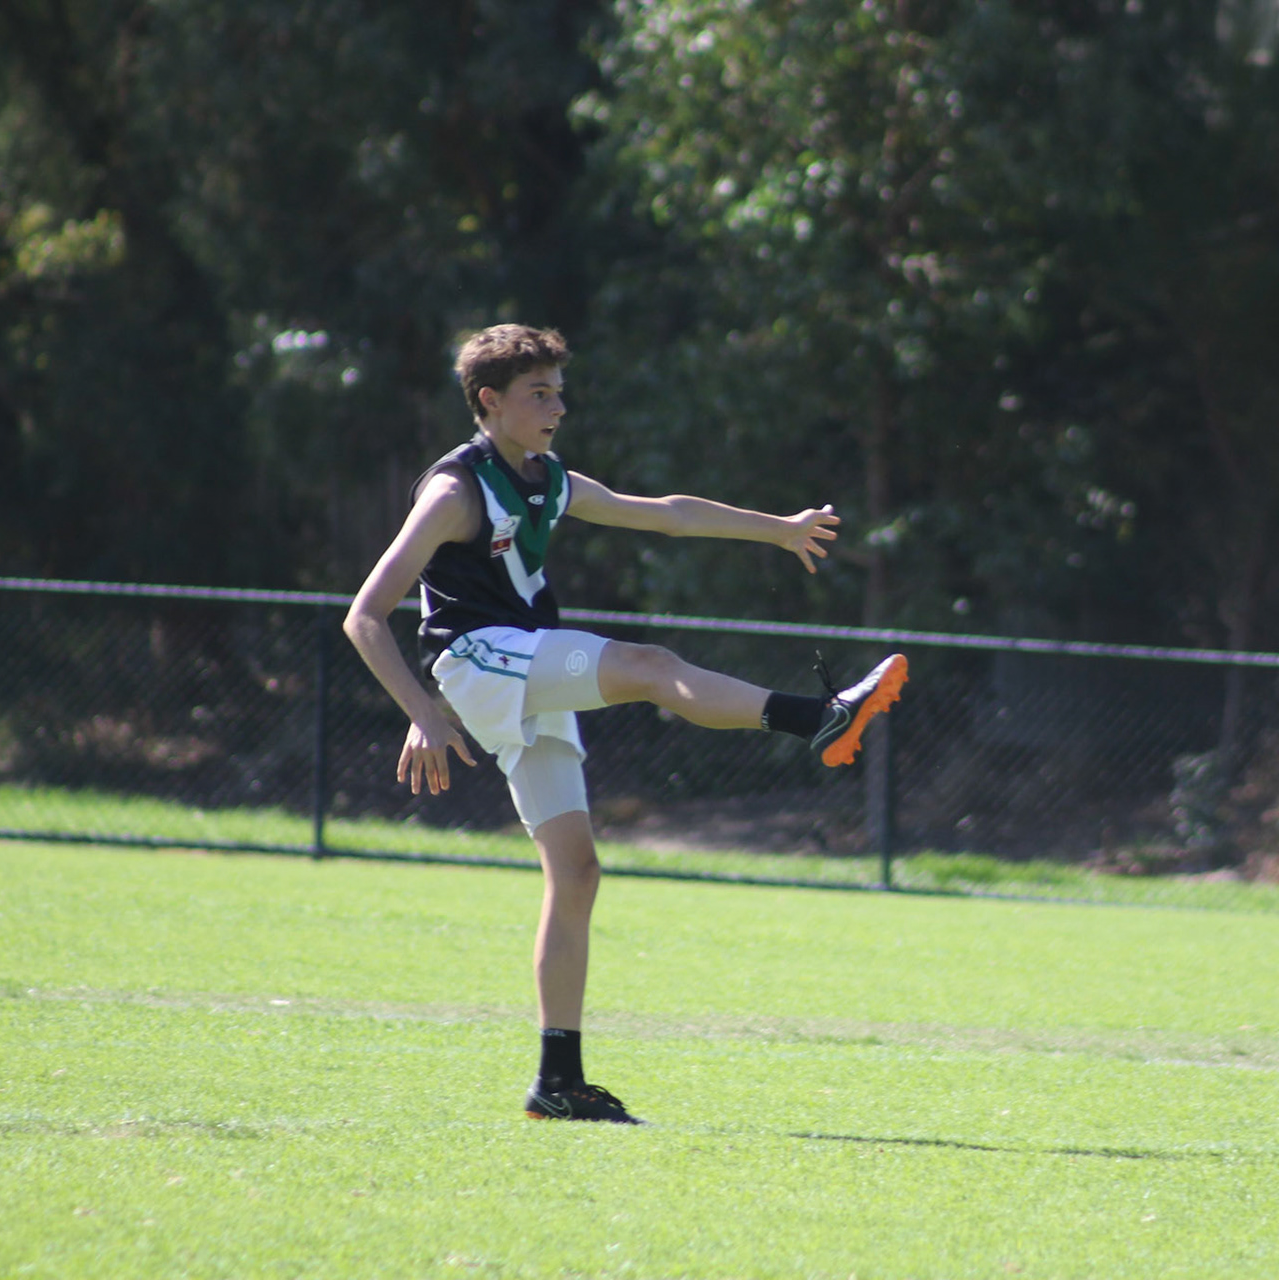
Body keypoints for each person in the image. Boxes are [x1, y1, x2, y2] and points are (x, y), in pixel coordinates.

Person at [343, 324, 907, 1125]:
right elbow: (364, 616)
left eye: (560, 392)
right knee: (647, 664)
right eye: (539, 394)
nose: (557, 408)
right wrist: (424, 710)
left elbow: (667, 515)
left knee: (577, 873)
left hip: (517, 670)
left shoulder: (547, 479)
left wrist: (779, 529)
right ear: (489, 402)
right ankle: (818, 718)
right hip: (482, 661)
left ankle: (557, 1083)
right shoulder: (454, 493)